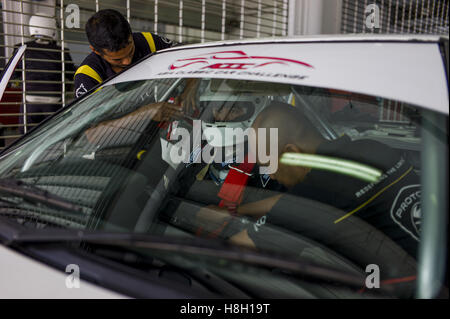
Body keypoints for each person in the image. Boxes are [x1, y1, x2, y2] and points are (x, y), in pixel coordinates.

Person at [200, 101, 421, 260]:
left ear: (292, 152)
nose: (271, 175)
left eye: (269, 164)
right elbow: (296, 202)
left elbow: (235, 250)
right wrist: (237, 210)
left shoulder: (318, 193)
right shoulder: (372, 148)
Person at [74, 9, 174, 98]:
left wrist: (184, 96)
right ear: (96, 51)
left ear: (131, 35)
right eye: (117, 59)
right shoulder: (87, 75)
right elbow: (91, 118)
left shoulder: (148, 41)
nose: (127, 61)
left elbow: (188, 57)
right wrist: (147, 112)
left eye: (131, 52)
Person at [12, 13, 75, 133]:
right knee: (54, 134)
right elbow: (71, 74)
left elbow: (13, 75)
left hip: (30, 101)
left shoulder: (22, 48)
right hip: (54, 102)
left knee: (25, 138)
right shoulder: (61, 51)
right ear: (52, 28)